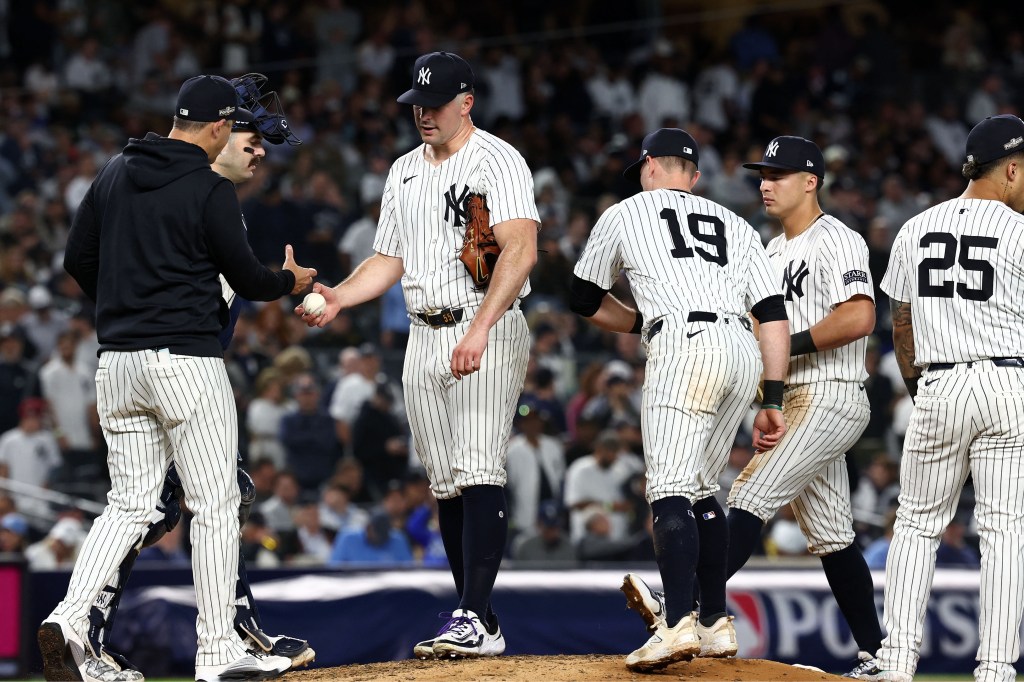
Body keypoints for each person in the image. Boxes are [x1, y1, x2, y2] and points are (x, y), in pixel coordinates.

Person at [40, 74, 314, 682]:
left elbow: (75, 259)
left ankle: (71, 615)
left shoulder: (114, 170)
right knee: (214, 502)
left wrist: (125, 304)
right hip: (185, 362)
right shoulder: (205, 185)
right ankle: (218, 650)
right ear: (218, 127)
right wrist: (290, 283)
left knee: (130, 504)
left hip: (117, 363)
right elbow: (247, 279)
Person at [297, 51, 539, 660]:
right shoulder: (404, 169)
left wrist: (482, 325)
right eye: (417, 106)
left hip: (484, 324)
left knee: (480, 468)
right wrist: (338, 298)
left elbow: (521, 251)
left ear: (467, 102)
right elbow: (388, 260)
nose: (424, 115)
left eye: (435, 105)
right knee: (447, 484)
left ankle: (475, 616)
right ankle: (475, 617)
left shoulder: (498, 160)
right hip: (423, 332)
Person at [568, 127, 790, 672]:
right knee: (700, 491)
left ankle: (675, 625)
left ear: (648, 168)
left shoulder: (627, 212)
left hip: (682, 346)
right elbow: (773, 316)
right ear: (692, 177)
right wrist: (775, 396)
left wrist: (640, 323)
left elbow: (582, 296)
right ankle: (715, 620)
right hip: (741, 351)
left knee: (668, 490)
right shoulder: (738, 225)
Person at [874, 114, 1024, 682]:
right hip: (1008, 382)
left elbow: (901, 326)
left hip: (937, 384)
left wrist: (924, 391)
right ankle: (995, 668)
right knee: (1005, 529)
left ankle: (895, 663)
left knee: (915, 526)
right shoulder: (1020, 231)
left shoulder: (915, 228)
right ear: (1010, 168)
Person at [728, 136, 881, 676]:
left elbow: (859, 317)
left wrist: (781, 347)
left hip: (830, 391)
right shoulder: (769, 252)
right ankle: (876, 655)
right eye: (763, 175)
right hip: (792, 396)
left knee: (749, 492)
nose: (765, 183)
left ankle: (687, 607)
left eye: (780, 174)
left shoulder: (835, 238)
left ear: (811, 181)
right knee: (834, 538)